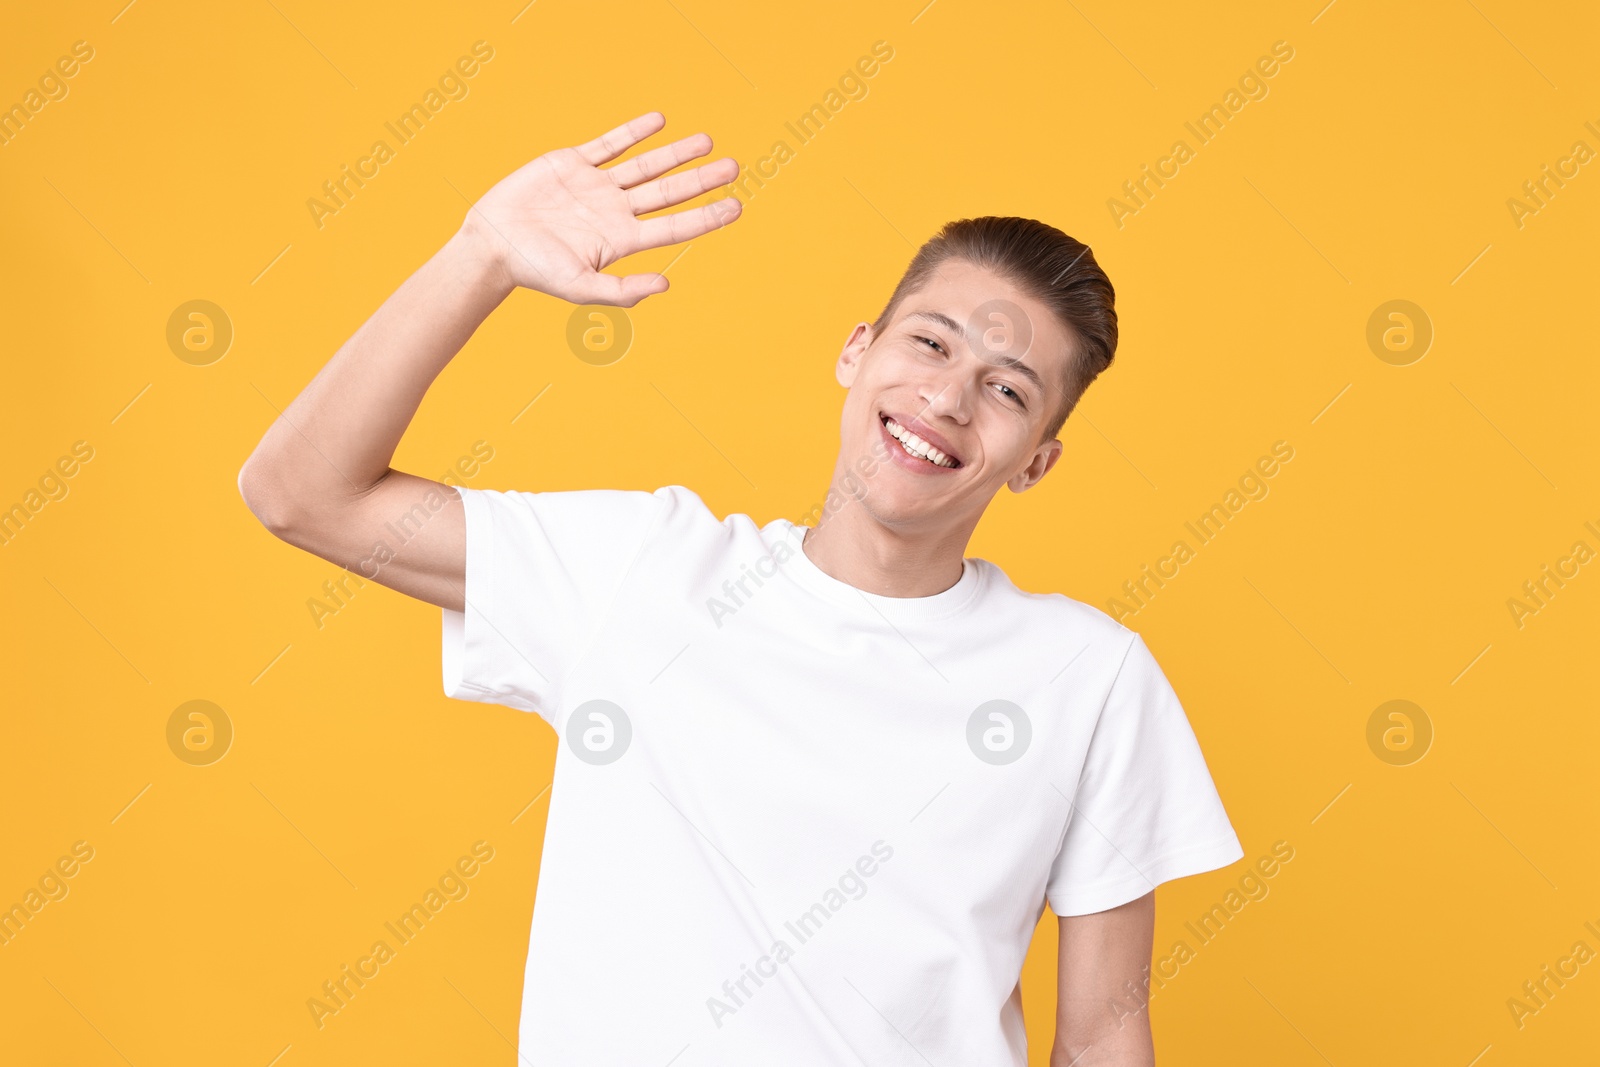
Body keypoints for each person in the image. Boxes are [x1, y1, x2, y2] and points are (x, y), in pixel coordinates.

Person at [238, 111, 1244, 1066]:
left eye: (1007, 388)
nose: (946, 398)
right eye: (928, 343)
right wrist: (481, 256)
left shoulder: (1087, 675)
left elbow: (1100, 1039)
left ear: (1036, 458)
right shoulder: (642, 571)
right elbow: (299, 494)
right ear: (857, 351)